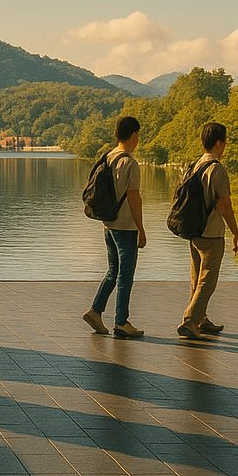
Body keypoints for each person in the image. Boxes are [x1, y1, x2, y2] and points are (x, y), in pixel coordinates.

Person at [83, 116, 147, 339]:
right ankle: (121, 322)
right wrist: (141, 229)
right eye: (138, 134)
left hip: (108, 224)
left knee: (113, 271)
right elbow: (134, 198)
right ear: (134, 135)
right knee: (126, 275)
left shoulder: (107, 157)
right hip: (125, 226)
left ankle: (95, 311)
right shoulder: (129, 162)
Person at [180, 122, 238, 340]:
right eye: (224, 142)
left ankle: (201, 319)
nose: (225, 146)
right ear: (218, 143)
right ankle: (190, 320)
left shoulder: (193, 166)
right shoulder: (217, 169)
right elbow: (225, 205)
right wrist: (235, 232)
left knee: (196, 278)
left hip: (193, 230)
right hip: (212, 232)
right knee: (208, 280)